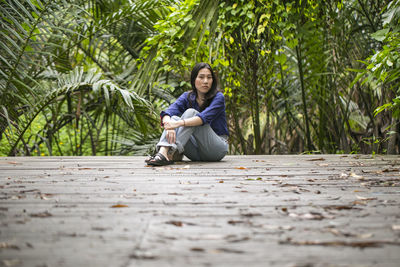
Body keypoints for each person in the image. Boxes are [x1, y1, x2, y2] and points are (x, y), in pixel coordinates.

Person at [146, 62, 229, 166]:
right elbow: (169, 111)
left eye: (209, 77)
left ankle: (165, 153)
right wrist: (169, 125)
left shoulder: (218, 97)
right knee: (174, 118)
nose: (206, 81)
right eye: (201, 77)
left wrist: (176, 124)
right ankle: (164, 153)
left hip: (216, 150)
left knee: (191, 113)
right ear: (194, 79)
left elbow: (202, 118)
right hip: (195, 153)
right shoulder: (188, 96)